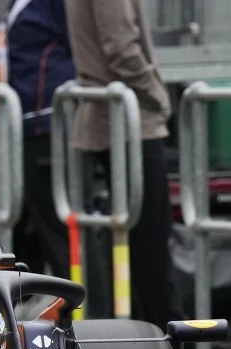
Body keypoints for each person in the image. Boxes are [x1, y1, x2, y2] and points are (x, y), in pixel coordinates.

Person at [64, 0, 182, 332]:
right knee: (151, 247)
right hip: (129, 120)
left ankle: (156, 337)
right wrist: (157, 93)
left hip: (115, 117)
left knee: (140, 246)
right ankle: (170, 342)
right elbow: (121, 48)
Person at [0, 0, 73, 280]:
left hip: (49, 125)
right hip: (25, 126)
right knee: (39, 227)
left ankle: (82, 309)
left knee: (60, 229)